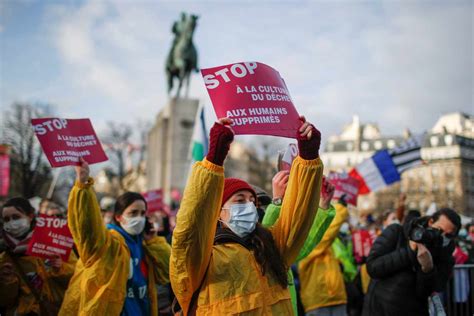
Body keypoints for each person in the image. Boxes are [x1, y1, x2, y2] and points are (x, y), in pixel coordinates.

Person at [170, 116, 323, 315]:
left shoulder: (271, 245)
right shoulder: (203, 257)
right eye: (240, 200)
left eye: (252, 201)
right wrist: (213, 161)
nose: (249, 207)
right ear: (217, 212)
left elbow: (299, 214)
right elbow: (190, 228)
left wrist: (309, 159)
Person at [59, 159, 171, 315]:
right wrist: (82, 186)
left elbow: (167, 272)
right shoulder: (107, 242)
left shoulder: (145, 245)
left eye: (142, 213)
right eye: (133, 213)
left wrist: (154, 241)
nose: (139, 218)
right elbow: (86, 227)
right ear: (118, 217)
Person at [362, 208, 461, 316]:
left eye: (448, 235)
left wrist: (428, 269)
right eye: (439, 230)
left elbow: (426, 292)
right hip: (379, 309)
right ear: (430, 222)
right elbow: (373, 268)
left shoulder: (446, 257)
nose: (442, 236)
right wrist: (409, 251)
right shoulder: (397, 232)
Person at [262, 172, 336, 315]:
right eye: (241, 200)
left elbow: (304, 242)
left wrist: (323, 206)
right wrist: (277, 202)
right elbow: (266, 244)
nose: (250, 206)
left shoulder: (284, 255)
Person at [0, 197, 76, 315]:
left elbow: (78, 279)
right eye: (6, 219)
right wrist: (7, 281)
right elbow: (5, 301)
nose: (11, 222)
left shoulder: (54, 242)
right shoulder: (4, 256)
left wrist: (60, 268)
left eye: (16, 217)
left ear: (30, 216)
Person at [298, 191, 350, 316]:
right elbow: (326, 236)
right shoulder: (303, 244)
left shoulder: (329, 245)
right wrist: (340, 209)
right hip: (318, 304)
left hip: (338, 299)